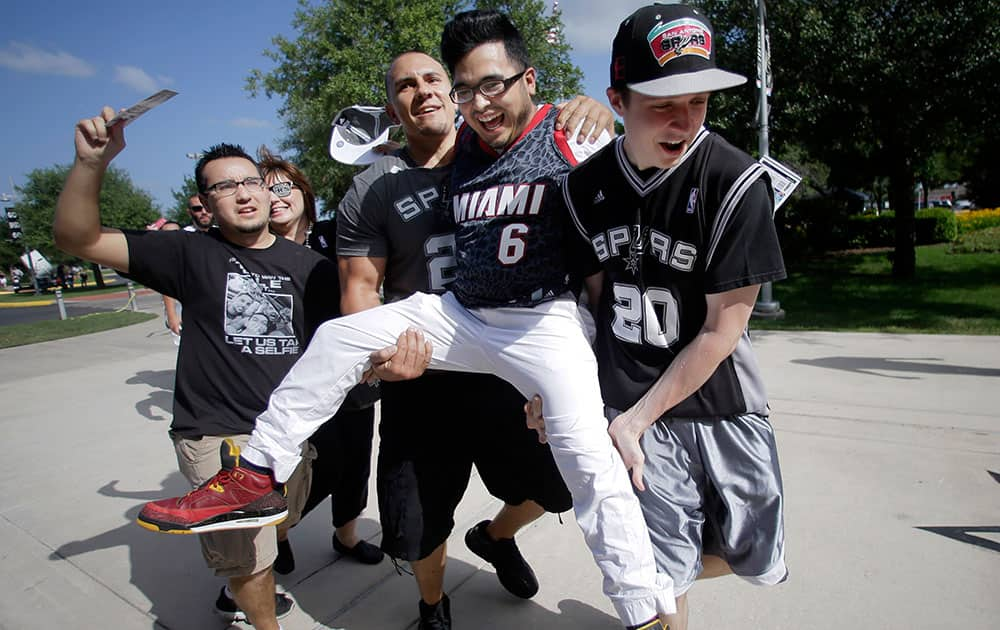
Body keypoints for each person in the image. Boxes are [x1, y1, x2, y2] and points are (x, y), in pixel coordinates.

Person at [138, 10, 677, 629]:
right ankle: (257, 475)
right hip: (461, 312)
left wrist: (600, 108)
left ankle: (641, 606)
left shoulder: (569, 132)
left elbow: (644, 197)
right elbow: (412, 148)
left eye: (494, 85)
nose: (481, 103)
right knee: (339, 337)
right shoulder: (462, 142)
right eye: (468, 89)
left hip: (541, 321)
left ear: (529, 79)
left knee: (586, 458)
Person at [332, 49, 616, 628]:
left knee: (556, 484)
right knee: (416, 523)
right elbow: (361, 289)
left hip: (509, 362)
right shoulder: (373, 187)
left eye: (433, 78)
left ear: (457, 89)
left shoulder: (503, 147)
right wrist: (380, 361)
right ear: (392, 106)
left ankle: (494, 535)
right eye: (405, 86)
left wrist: (587, 112)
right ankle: (432, 604)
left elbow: (555, 133)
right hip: (422, 374)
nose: (423, 92)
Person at [530, 5, 790, 630]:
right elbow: (590, 310)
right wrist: (566, 395)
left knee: (754, 558)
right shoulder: (581, 189)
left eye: (698, 102)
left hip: (720, 399)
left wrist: (640, 416)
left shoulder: (736, 181)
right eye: (662, 104)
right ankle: (649, 583)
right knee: (661, 574)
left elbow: (723, 330)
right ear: (617, 99)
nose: (684, 121)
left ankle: (648, 571)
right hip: (631, 404)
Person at [52, 118, 351, 630]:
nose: (243, 193)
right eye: (224, 186)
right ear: (206, 205)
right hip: (218, 435)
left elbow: (344, 337)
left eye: (251, 181)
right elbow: (76, 236)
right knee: (250, 560)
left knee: (283, 521)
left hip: (285, 434)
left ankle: (244, 582)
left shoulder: (309, 267)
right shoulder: (188, 253)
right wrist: (91, 161)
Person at [258, 146, 385, 573]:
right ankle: (278, 529)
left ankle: (346, 536)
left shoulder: (335, 234)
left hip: (353, 373)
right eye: (264, 187)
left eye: (283, 186)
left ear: (303, 192)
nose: (275, 196)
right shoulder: (255, 250)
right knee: (312, 466)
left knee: (356, 462)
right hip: (293, 380)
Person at [149, 219, 183, 343]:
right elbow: (167, 289)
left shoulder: (190, 251)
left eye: (176, 232)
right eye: (167, 233)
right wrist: (172, 316)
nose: (172, 237)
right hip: (181, 315)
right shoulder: (163, 258)